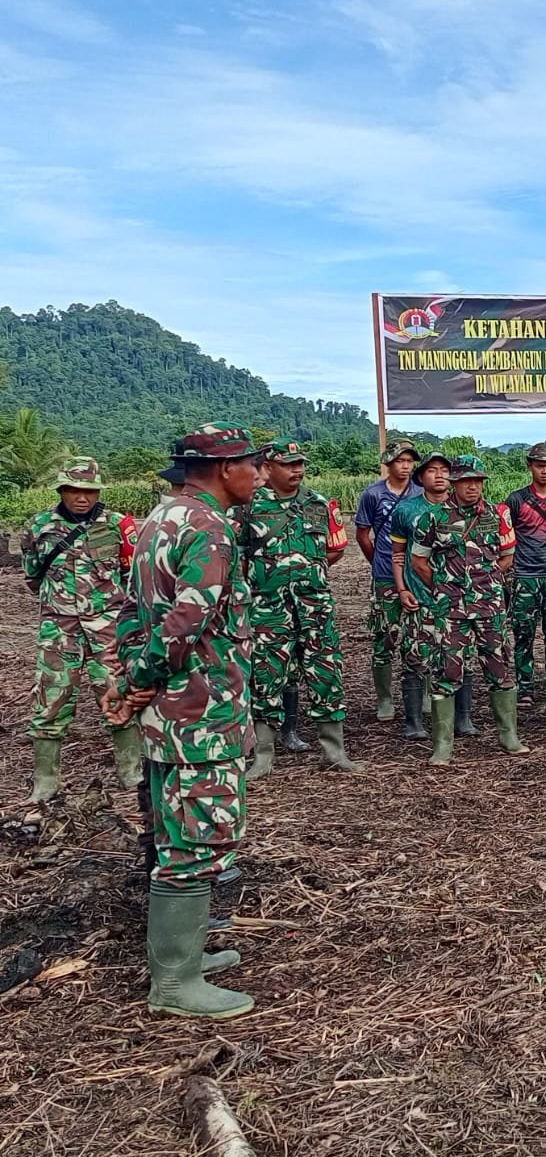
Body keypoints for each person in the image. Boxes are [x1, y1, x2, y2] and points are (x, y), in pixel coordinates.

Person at [106, 423, 260, 1019]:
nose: (257, 474)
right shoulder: (209, 528)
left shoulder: (159, 519)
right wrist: (142, 677)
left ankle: (184, 956)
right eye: (251, 464)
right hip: (200, 714)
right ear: (224, 469)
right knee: (196, 839)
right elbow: (186, 621)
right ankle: (175, 983)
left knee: (174, 829)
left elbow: (130, 610)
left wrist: (132, 677)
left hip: (169, 714)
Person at [20, 458, 141, 801]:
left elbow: (131, 575)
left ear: (99, 491)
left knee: (118, 692)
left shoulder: (118, 525)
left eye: (89, 490)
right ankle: (45, 781)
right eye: (73, 490)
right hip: (59, 628)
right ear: (61, 490)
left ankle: (130, 772)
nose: (82, 497)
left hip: (108, 627)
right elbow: (32, 572)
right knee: (50, 698)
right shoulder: (39, 525)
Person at [240, 440, 357, 780]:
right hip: (268, 608)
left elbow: (334, 550)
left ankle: (334, 752)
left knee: (326, 673)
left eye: (300, 463)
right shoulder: (248, 506)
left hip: (315, 607)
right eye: (289, 464)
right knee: (266, 677)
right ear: (268, 467)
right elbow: (237, 555)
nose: (298, 469)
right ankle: (263, 755)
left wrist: (306, 571)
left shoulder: (318, 503)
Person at [410, 455, 528, 765]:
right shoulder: (433, 518)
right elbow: (419, 561)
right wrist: (444, 586)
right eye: (466, 481)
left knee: (499, 668)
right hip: (451, 610)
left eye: (477, 481)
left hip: (490, 607)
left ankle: (508, 736)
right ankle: (443, 746)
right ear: (454, 483)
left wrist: (487, 582)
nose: (473, 486)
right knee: (446, 672)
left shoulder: (497, 515)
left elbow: (507, 556)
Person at [354, 437, 422, 721]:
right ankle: (384, 698)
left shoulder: (420, 493)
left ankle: (422, 693)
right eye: (400, 461)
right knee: (385, 637)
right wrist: (377, 562)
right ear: (388, 463)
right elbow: (363, 535)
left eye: (409, 461)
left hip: (416, 576)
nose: (405, 466)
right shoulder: (373, 494)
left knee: (419, 636)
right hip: (385, 576)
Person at [389, 450, 451, 740]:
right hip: (418, 595)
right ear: (421, 476)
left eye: (444, 470)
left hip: (454, 598)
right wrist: (402, 589)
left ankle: (460, 719)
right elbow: (398, 554)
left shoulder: (459, 509)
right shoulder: (406, 510)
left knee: (456, 659)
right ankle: (413, 721)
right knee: (414, 657)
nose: (439, 475)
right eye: (432, 470)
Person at [504, 442, 546, 709]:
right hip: (525, 575)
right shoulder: (516, 499)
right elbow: (505, 536)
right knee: (523, 635)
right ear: (530, 466)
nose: (545, 471)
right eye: (540, 466)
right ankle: (525, 687)